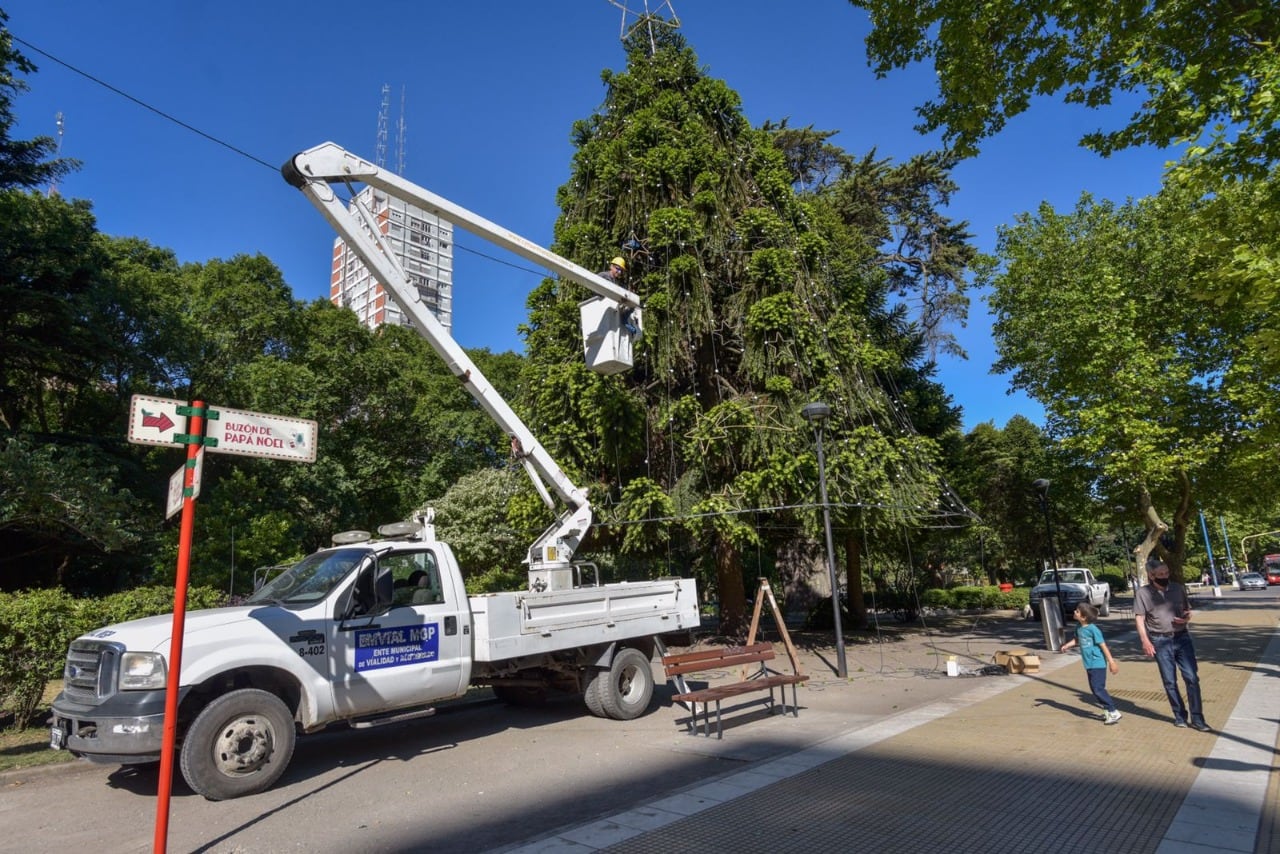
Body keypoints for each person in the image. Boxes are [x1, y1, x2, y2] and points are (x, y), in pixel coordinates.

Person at [1135, 556, 1211, 731]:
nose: (1165, 575)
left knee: (1192, 677)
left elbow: (1187, 611)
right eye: (1160, 573)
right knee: (1169, 681)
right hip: (1160, 640)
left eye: (1167, 572)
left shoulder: (1177, 588)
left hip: (1182, 638)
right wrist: (1145, 641)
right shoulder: (1143, 593)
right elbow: (1139, 618)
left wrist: (1185, 618)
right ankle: (1180, 716)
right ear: (1151, 576)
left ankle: (1198, 718)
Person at [1060, 602, 1121, 724]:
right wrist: (1067, 645)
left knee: (1098, 689)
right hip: (1088, 664)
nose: (1074, 612)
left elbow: (1103, 646)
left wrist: (1111, 662)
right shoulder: (1079, 627)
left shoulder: (1094, 630)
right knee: (1095, 689)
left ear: (1084, 617)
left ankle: (1113, 711)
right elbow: (1077, 640)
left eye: (1077, 611)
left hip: (1097, 663)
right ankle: (1107, 711)